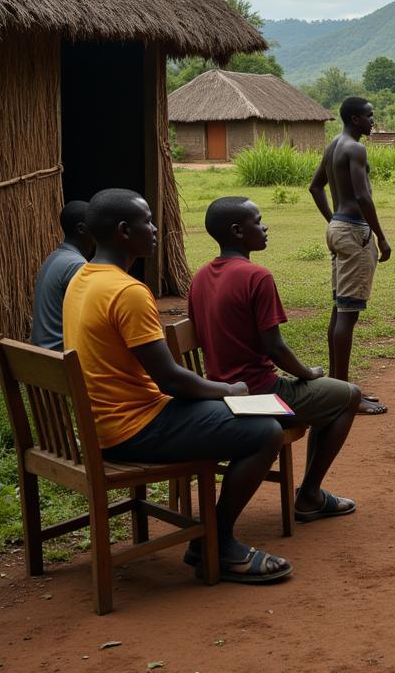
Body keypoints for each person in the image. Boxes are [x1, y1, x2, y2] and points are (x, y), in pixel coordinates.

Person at [62, 188, 290, 584]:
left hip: (107, 423)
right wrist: (229, 390)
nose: (154, 229)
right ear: (123, 232)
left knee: (253, 417)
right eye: (146, 221)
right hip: (133, 428)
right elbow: (170, 378)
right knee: (265, 430)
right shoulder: (128, 291)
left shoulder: (82, 278)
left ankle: (211, 539)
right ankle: (217, 543)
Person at [188, 196, 360, 522]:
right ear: (238, 231)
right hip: (260, 396)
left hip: (219, 395)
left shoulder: (200, 277)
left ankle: (310, 493)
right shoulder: (257, 277)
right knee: (348, 395)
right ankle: (309, 495)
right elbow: (275, 348)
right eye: (258, 220)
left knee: (325, 397)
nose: (265, 227)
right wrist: (308, 373)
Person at [309, 96, 392, 414]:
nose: (373, 121)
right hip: (355, 232)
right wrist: (381, 237)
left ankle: (338, 387)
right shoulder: (355, 148)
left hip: (340, 229)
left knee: (339, 309)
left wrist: (333, 221)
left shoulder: (333, 145)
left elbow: (315, 187)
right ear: (355, 119)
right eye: (370, 116)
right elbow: (362, 194)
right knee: (348, 313)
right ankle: (344, 398)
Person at [31, 200, 95, 350]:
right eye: (96, 225)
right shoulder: (77, 265)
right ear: (82, 229)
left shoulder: (54, 257)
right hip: (61, 356)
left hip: (44, 354)